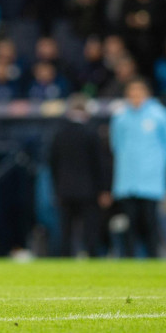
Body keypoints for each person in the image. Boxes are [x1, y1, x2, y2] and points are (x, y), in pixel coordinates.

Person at [109, 77, 166, 257]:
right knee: (128, 223)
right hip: (126, 180)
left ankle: (153, 257)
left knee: (150, 222)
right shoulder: (120, 117)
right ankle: (128, 260)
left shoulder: (160, 115)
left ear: (147, 94)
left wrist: (157, 162)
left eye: (139, 92)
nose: (135, 96)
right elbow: (116, 144)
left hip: (151, 180)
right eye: (131, 92)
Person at [49, 94, 111, 257]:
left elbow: (53, 164)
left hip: (65, 189)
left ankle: (65, 259)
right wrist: (104, 189)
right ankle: (91, 257)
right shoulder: (91, 133)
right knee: (90, 229)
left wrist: (57, 188)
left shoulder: (59, 134)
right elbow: (99, 164)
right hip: (88, 190)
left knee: (66, 230)